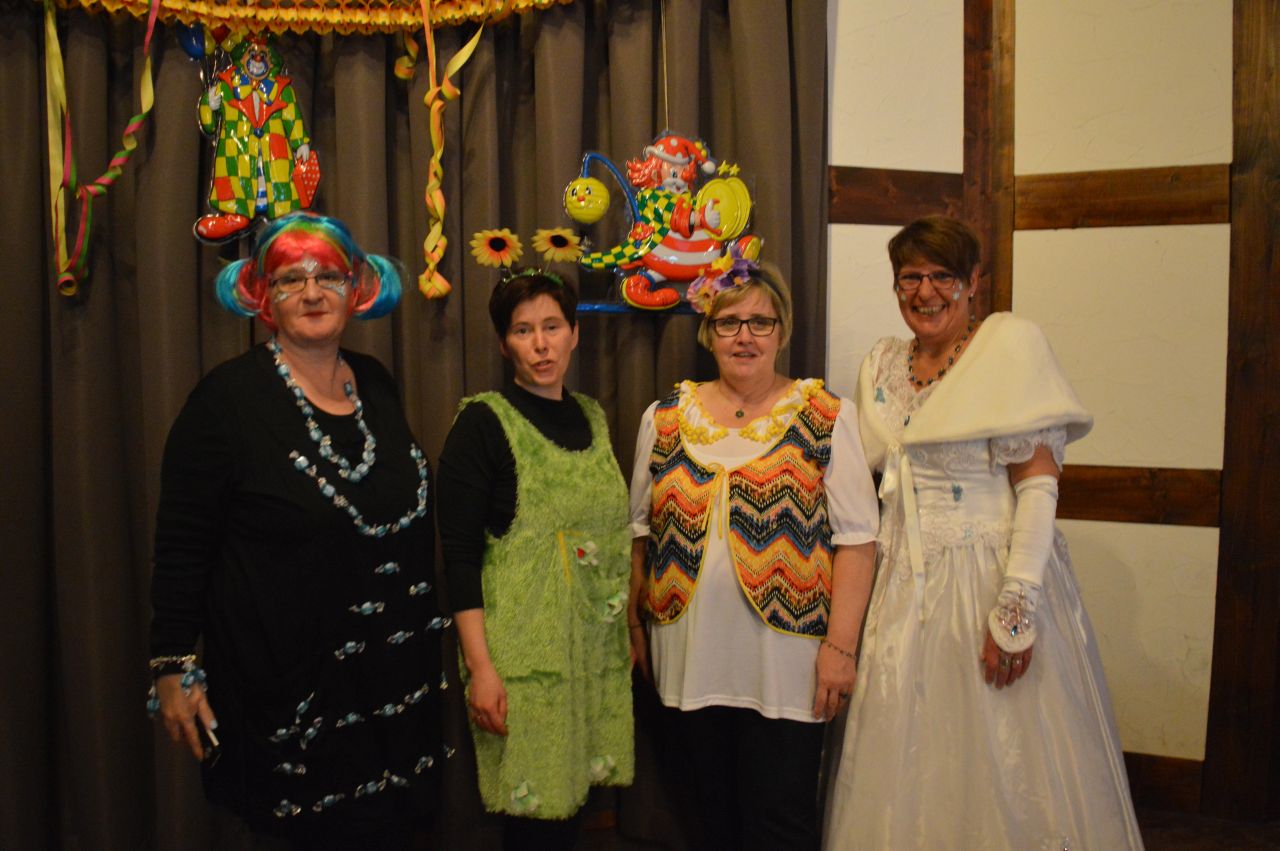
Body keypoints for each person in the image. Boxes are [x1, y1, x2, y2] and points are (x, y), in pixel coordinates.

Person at [824, 216, 1143, 849]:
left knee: (1003, 758)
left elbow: (1039, 487)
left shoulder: (1009, 348)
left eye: (943, 276)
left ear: (973, 282)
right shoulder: (882, 364)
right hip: (901, 590)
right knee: (908, 765)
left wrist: (1016, 606)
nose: (925, 292)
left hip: (987, 582)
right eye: (910, 277)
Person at [148, 212, 444, 849]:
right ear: (263, 296)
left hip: (394, 687)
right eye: (290, 279)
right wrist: (172, 665)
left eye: (328, 276)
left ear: (356, 288)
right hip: (289, 697)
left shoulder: (375, 382)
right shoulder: (224, 402)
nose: (312, 293)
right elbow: (181, 546)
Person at [627, 256, 880, 851]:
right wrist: (636, 627)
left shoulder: (825, 416)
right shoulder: (664, 419)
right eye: (729, 322)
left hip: (787, 664)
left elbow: (858, 541)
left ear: (782, 331)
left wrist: (840, 649)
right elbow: (639, 534)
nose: (744, 336)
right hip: (688, 656)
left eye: (760, 322)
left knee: (781, 822)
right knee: (707, 820)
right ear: (708, 332)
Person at [437, 269, 634, 850]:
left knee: (575, 816)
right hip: (524, 660)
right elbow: (459, 556)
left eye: (553, 327)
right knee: (534, 823)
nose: (541, 345)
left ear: (575, 333)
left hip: (592, 654)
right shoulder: (483, 423)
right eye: (523, 331)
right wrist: (481, 668)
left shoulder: (593, 417)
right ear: (505, 344)